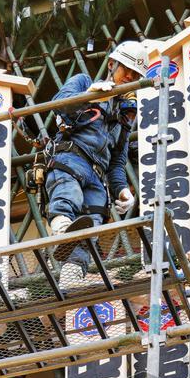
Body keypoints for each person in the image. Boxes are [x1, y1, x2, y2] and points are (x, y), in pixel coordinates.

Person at [43, 40, 147, 273]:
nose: (130, 76)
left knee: (92, 221)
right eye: (126, 69)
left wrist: (122, 189)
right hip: (72, 158)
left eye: (136, 74)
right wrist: (89, 95)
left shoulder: (124, 116)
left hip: (98, 176)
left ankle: (73, 271)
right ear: (111, 64)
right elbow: (59, 104)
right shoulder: (84, 82)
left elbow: (117, 161)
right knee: (68, 192)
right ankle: (60, 227)